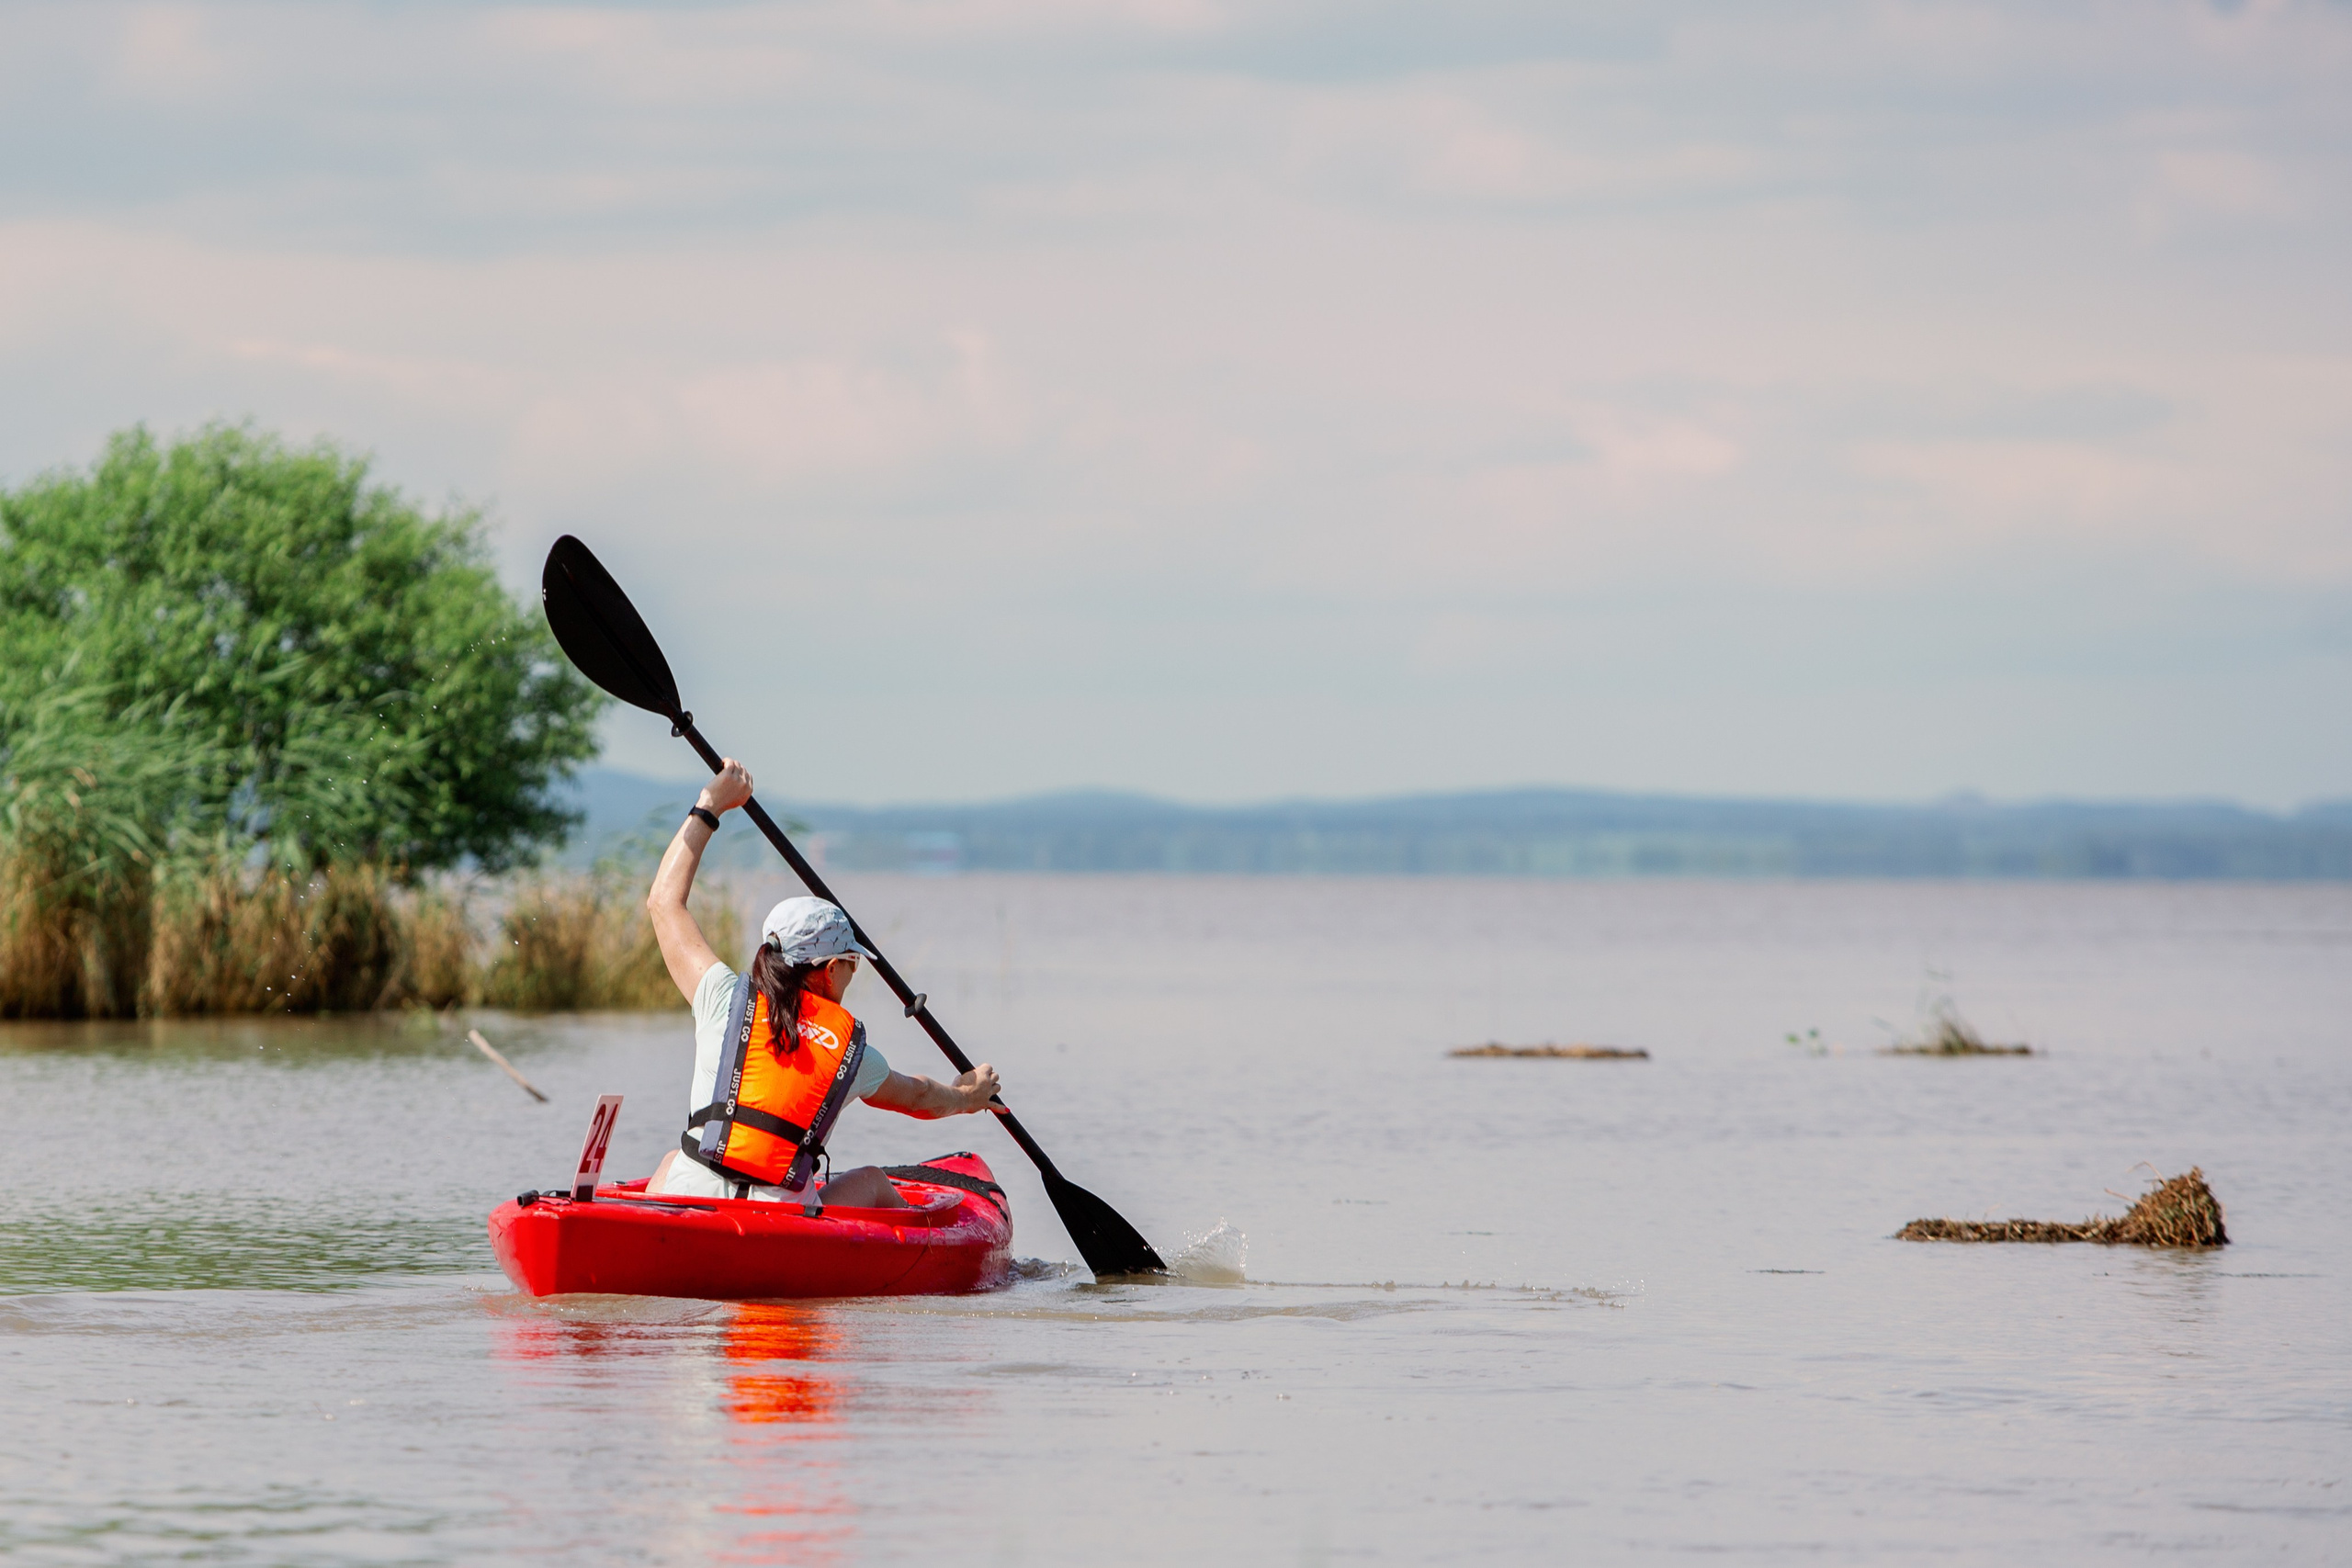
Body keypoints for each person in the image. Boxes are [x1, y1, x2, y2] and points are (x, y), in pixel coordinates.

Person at [641, 758, 1001, 1208]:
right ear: (831, 970)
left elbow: (664, 903)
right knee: (871, 1180)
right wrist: (968, 1094)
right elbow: (921, 1097)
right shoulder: (852, 1053)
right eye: (853, 963)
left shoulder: (720, 996)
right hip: (780, 1219)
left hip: (691, 1199)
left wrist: (709, 805)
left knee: (675, 1158)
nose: (854, 974)